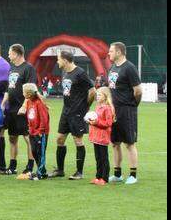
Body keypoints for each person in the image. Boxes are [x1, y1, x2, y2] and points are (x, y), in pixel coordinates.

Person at [52, 50, 95, 179]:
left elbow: (92, 91)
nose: (57, 61)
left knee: (78, 140)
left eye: (58, 59)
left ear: (65, 60)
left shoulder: (80, 73)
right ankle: (60, 170)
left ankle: (79, 172)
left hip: (77, 112)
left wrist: (85, 107)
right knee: (60, 139)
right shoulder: (64, 72)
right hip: (66, 111)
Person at [106, 42, 143, 185]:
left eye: (111, 51)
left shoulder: (130, 68)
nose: (109, 53)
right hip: (114, 110)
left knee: (129, 143)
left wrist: (132, 105)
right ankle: (117, 174)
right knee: (115, 143)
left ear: (119, 52)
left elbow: (138, 91)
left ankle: (133, 175)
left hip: (127, 110)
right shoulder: (113, 67)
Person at [0, 44, 38, 175]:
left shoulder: (28, 68)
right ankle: (12, 166)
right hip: (11, 109)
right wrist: (4, 102)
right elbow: (8, 88)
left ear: (16, 53)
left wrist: (24, 106)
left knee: (28, 138)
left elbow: (32, 89)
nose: (8, 55)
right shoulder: (11, 68)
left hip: (24, 109)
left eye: (10, 53)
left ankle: (30, 166)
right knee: (12, 137)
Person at [16, 83, 49, 180]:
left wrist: (40, 131)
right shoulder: (29, 102)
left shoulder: (39, 103)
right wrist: (30, 128)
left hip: (40, 133)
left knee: (40, 152)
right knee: (34, 151)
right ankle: (41, 170)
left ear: (29, 94)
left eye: (23, 92)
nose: (23, 94)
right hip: (32, 131)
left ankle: (41, 173)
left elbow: (44, 119)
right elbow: (30, 116)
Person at [88, 87, 115, 186]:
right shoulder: (98, 106)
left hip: (103, 137)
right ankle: (98, 176)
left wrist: (96, 122)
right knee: (98, 158)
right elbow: (96, 119)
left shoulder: (107, 108)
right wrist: (90, 120)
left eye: (100, 95)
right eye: (97, 95)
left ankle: (104, 178)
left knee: (104, 158)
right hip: (96, 136)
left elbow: (108, 123)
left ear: (105, 96)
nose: (97, 97)